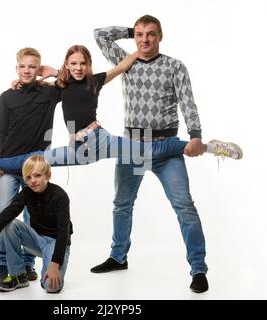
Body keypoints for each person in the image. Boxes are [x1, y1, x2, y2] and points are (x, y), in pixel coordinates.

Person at [0, 45, 242, 181]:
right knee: (36, 162)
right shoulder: (61, 85)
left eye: (83, 63)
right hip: (77, 148)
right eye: (73, 63)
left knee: (150, 149)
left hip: (100, 140)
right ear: (67, 64)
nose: (78, 67)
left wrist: (139, 49)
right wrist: (38, 77)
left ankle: (211, 147)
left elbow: (122, 66)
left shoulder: (96, 81)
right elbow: (40, 85)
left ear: (89, 64)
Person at [90, 15, 222, 293]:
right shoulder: (125, 62)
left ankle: (198, 269)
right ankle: (118, 257)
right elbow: (100, 34)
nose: (144, 40)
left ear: (160, 36)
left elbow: (188, 103)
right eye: (139, 34)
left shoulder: (174, 66)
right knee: (122, 204)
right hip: (131, 148)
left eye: (150, 34)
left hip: (166, 149)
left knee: (185, 207)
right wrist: (129, 31)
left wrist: (196, 135)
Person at [0, 47, 61, 283]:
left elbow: (75, 82)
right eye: (23, 67)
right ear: (16, 68)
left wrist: (54, 72)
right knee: (4, 210)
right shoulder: (7, 96)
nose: (27, 71)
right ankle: (2, 264)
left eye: (32, 66)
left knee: (32, 215)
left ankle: (26, 263)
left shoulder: (50, 93)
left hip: (35, 165)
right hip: (9, 165)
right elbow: (1, 131)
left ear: (39, 68)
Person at [0, 155, 72, 293]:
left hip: (56, 243)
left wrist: (54, 263)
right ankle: (18, 275)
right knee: (10, 225)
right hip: (36, 240)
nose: (32, 181)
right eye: (28, 177)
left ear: (48, 175)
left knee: (51, 287)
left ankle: (49, 271)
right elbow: (11, 210)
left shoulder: (60, 196)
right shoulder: (27, 192)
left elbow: (63, 232)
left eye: (37, 176)